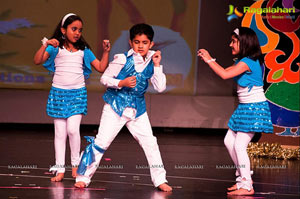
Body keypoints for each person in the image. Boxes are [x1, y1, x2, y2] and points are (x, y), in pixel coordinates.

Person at [74, 23, 172, 192]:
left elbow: (160, 87)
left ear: (151, 44)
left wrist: (157, 65)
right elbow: (104, 79)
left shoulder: (152, 60)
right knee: (101, 142)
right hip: (115, 106)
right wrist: (121, 82)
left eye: (144, 42)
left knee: (150, 143)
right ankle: (83, 177)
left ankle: (160, 179)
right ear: (130, 42)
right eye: (137, 42)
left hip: (137, 110)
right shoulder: (122, 59)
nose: (140, 46)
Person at [33, 13, 110, 182]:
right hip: (58, 95)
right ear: (63, 29)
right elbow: (37, 60)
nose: (77, 33)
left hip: (77, 94)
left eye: (80, 30)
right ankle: (60, 169)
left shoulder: (84, 50)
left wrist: (105, 52)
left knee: (73, 130)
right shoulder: (55, 47)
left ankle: (76, 166)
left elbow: (101, 67)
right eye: (73, 29)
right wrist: (46, 44)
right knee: (60, 133)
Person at [198, 27, 273, 196]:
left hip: (254, 109)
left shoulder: (248, 62)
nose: (230, 44)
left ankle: (247, 185)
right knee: (228, 141)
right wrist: (211, 61)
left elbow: (225, 74)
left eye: (234, 41)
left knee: (239, 145)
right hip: (245, 108)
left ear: (244, 43)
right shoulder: (243, 60)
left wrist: (209, 59)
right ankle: (242, 178)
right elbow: (226, 72)